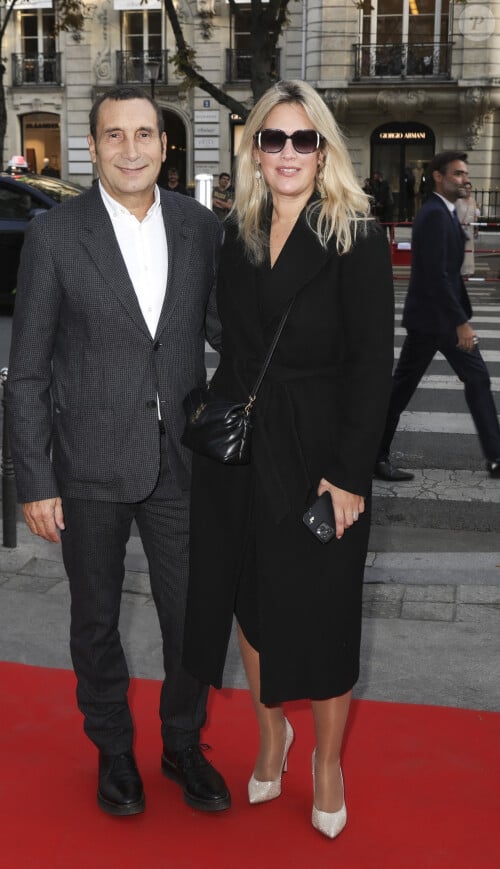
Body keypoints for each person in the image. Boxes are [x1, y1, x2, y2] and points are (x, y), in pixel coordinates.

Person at [6, 85, 230, 818]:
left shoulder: (202, 228)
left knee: (191, 616)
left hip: (182, 462)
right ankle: (112, 749)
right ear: (93, 146)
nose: (130, 148)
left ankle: (182, 743)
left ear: (166, 146)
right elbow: (30, 367)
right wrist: (34, 479)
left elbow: (231, 335)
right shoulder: (55, 234)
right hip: (89, 463)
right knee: (95, 617)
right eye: (114, 135)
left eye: (144, 134)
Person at [182, 80, 394, 838]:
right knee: (252, 603)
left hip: (322, 454)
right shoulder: (236, 232)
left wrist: (348, 476)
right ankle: (275, 732)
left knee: (327, 612)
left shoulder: (357, 235)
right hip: (244, 453)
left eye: (304, 139)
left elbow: (373, 367)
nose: (288, 153)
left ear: (325, 149)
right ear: (255, 151)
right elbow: (230, 344)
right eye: (273, 139)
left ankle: (327, 762)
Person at [375, 151, 500, 481]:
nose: (464, 179)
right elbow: (436, 275)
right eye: (457, 174)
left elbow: (446, 272)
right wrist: (461, 322)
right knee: (402, 390)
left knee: (473, 379)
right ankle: (375, 455)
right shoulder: (432, 214)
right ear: (438, 177)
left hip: (435, 318)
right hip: (436, 320)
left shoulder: (444, 212)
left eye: (465, 174)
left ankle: (496, 457)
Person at [455, 181, 480, 278]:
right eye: (466, 188)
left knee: (469, 250)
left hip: (470, 228)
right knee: (460, 249)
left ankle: (469, 269)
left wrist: (477, 229)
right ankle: (459, 269)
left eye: (469, 188)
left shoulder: (473, 201)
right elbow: (455, 215)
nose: (468, 190)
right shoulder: (458, 201)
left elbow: (475, 217)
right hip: (460, 228)